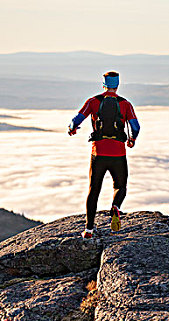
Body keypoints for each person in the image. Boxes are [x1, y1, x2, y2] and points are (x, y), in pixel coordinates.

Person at [68, 71, 140, 239]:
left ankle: (89, 229)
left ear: (103, 84)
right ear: (117, 85)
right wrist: (131, 140)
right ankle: (115, 206)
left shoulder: (93, 102)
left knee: (94, 190)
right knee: (120, 186)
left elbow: (76, 119)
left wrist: (72, 128)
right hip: (118, 153)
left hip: (98, 153)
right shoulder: (125, 104)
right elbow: (135, 127)